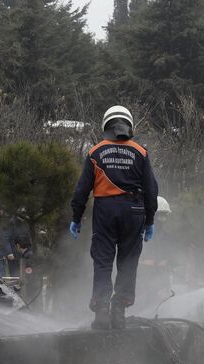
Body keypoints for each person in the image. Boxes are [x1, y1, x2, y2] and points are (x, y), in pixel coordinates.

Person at [70, 105, 158, 329]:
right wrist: (149, 221)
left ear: (106, 124)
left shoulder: (95, 152)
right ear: (129, 124)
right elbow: (151, 189)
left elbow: (81, 191)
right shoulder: (141, 152)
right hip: (134, 211)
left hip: (105, 210)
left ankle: (101, 310)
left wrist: (76, 218)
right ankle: (119, 309)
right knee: (128, 261)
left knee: (103, 261)